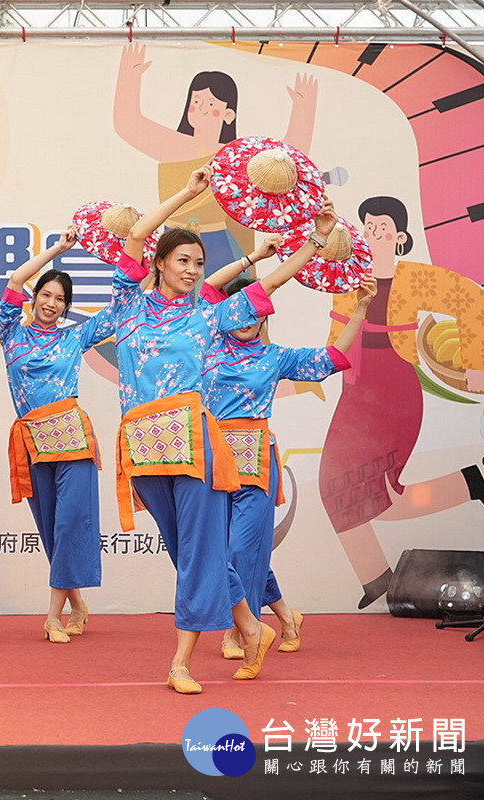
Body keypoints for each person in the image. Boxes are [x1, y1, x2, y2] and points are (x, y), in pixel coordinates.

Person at [113, 164, 336, 694]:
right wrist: (187, 197)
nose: (192, 270)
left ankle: (181, 663)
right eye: (183, 260)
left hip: (195, 443)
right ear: (160, 263)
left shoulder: (208, 316)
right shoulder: (128, 305)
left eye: (198, 263)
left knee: (197, 551)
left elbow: (272, 283)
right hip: (142, 444)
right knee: (186, 549)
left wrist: (316, 242)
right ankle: (251, 623)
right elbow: (138, 234)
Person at [201, 247, 377, 657]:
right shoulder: (207, 343)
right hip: (213, 461)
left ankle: (236, 632)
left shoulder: (274, 357)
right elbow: (208, 288)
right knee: (226, 552)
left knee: (242, 550)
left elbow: (331, 359)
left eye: (253, 314)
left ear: (264, 316)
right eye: (237, 313)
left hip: (257, 462)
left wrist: (361, 309)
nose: (245, 321)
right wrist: (254, 257)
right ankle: (286, 615)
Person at [318, 196, 484, 607]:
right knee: (335, 486)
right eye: (367, 225)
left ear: (401, 237)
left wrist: (474, 362)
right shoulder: (348, 280)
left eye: (382, 225)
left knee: (384, 496)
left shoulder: (417, 278)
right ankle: (376, 577)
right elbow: (337, 337)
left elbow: (471, 297)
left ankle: (473, 482)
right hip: (355, 389)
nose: (373, 231)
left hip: (395, 388)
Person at [1, 225, 114, 643]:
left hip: (72, 438)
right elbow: (14, 281)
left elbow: (122, 305)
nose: (51, 303)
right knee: (51, 527)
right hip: (32, 441)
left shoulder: (75, 336)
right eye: (46, 295)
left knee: (70, 522)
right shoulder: (12, 333)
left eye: (60, 300)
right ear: (35, 299)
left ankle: (52, 616)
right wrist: (58, 250)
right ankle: (79, 603)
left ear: (67, 308)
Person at [114, 43, 317, 272]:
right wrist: (129, 77)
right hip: (173, 240)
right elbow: (128, 123)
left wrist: (304, 107)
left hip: (219, 242)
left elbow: (287, 157)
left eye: (211, 104)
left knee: (220, 299)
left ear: (229, 114)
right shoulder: (172, 144)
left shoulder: (237, 156)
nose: (201, 108)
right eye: (196, 101)